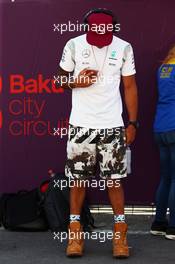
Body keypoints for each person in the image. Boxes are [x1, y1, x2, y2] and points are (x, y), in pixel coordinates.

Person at [58, 8, 138, 257]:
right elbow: (57, 80)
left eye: (105, 35)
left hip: (112, 126)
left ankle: (119, 238)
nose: (100, 41)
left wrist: (132, 123)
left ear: (112, 29)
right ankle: (74, 237)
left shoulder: (124, 47)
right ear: (86, 28)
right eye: (95, 34)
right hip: (80, 126)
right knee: (78, 181)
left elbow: (130, 85)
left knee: (114, 181)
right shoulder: (73, 44)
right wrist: (75, 82)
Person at [151, 45, 175, 240]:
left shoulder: (164, 68)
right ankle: (173, 227)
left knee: (167, 178)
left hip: (161, 127)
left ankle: (159, 222)